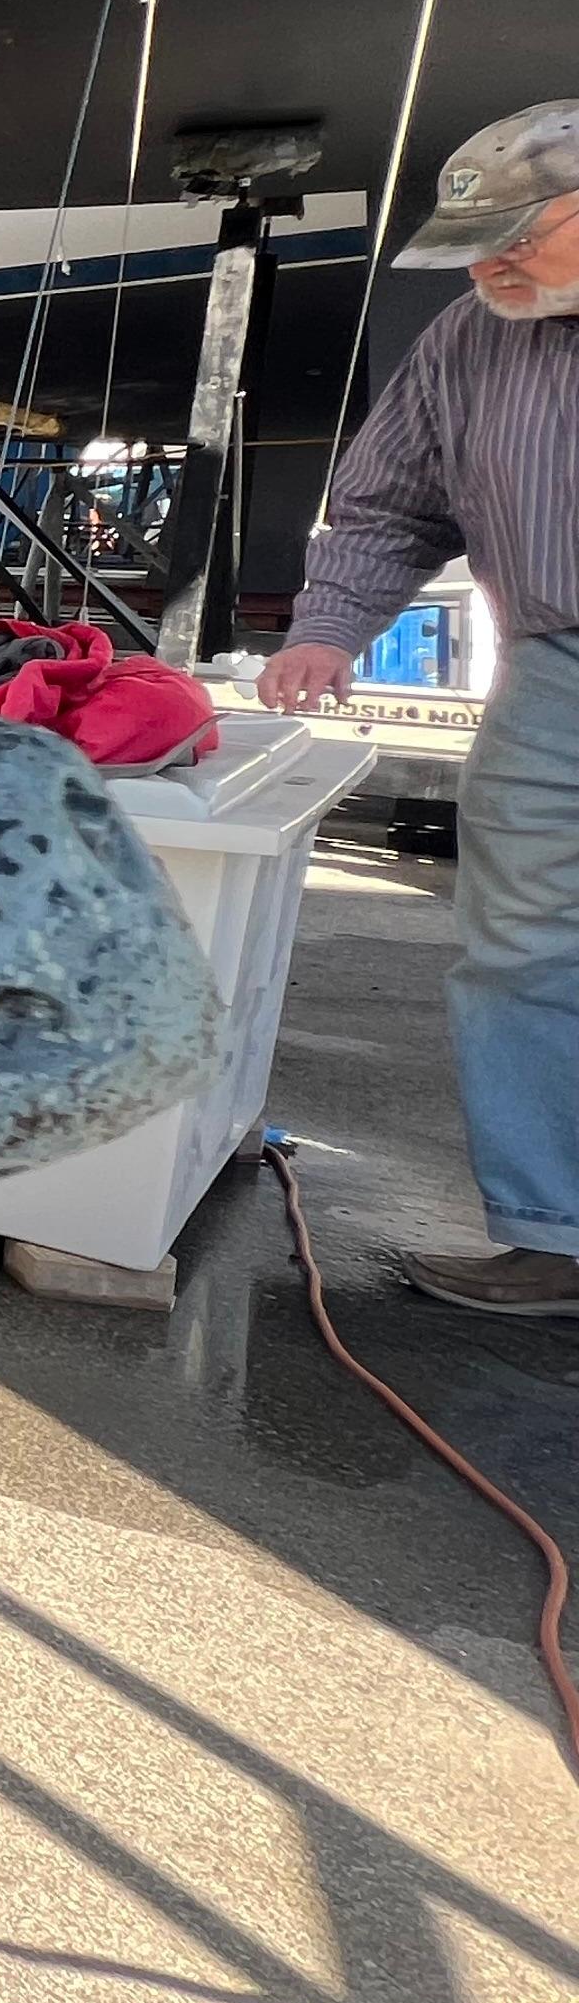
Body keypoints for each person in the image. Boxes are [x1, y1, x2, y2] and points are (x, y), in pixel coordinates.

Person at [260, 100, 579, 1315]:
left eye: (517, 240)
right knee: (523, 944)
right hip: (553, 665)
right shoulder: (467, 338)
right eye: (473, 246)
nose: (490, 267)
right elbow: (392, 502)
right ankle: (557, 1232)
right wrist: (329, 627)